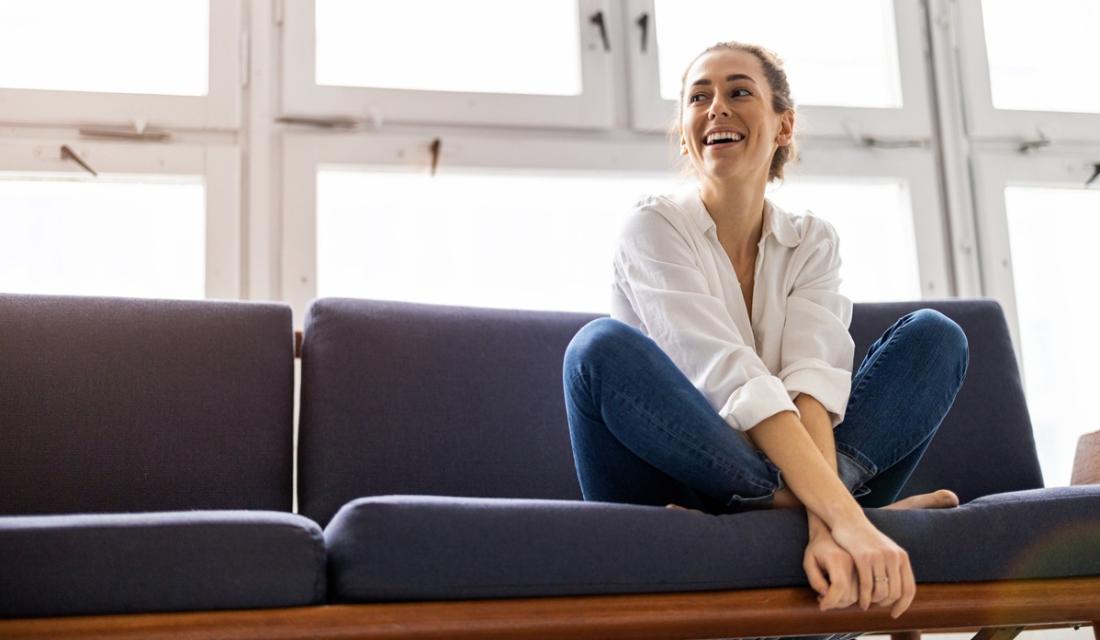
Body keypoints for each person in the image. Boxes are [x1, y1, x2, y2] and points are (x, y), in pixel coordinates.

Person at [561, 40, 969, 639]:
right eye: (699, 97)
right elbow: (731, 378)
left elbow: (812, 387)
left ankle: (787, 515)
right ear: (684, 135)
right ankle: (844, 512)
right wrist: (848, 520)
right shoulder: (652, 227)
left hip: (764, 482)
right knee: (594, 351)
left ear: (783, 124)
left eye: (739, 91)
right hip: (675, 481)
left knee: (936, 337)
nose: (716, 107)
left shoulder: (811, 241)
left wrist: (831, 516)